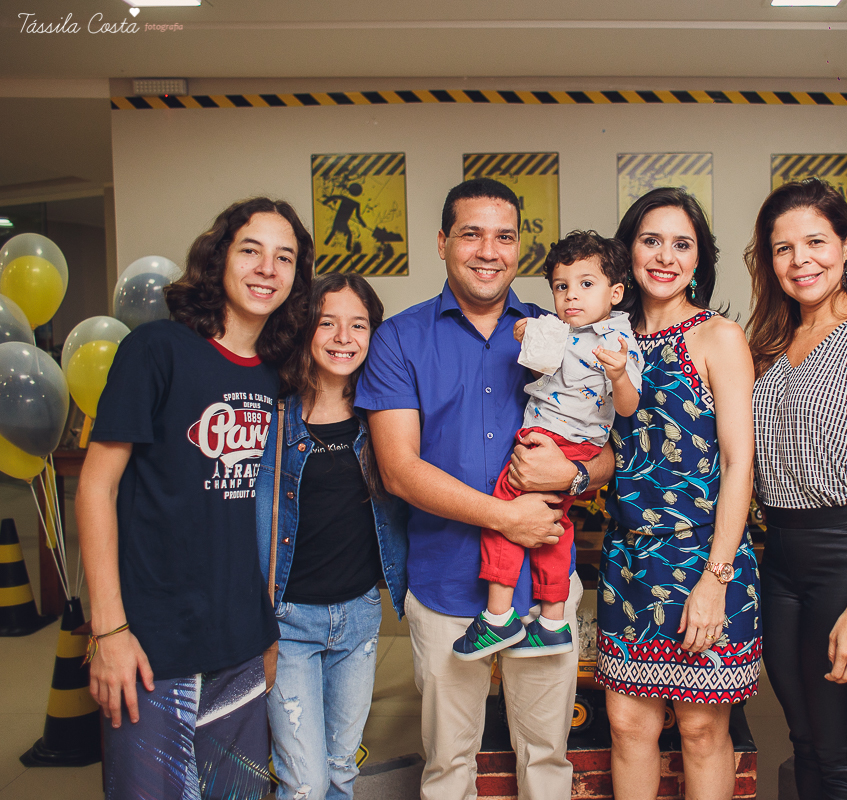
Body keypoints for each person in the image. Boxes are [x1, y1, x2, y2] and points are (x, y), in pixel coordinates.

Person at [355, 178, 614, 800]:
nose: (487, 250)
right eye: (471, 234)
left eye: (503, 236)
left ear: (519, 248)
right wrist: (507, 517)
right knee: (448, 763)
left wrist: (576, 475)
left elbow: (607, 450)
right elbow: (398, 469)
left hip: (543, 587)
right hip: (445, 582)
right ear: (443, 242)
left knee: (548, 758)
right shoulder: (400, 340)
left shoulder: (558, 333)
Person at [76, 197, 313, 799]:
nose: (267, 268)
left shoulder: (274, 374)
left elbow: (261, 516)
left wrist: (266, 633)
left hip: (238, 644)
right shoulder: (156, 350)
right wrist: (107, 632)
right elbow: (95, 488)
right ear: (219, 258)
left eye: (284, 257)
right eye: (251, 250)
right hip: (149, 644)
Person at [745, 178, 847, 799]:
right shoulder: (771, 343)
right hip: (779, 555)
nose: (800, 260)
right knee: (805, 741)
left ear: (846, 246)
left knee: (841, 751)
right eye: (783, 248)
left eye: (815, 241)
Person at [597, 187, 761, 800]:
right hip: (629, 557)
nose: (665, 256)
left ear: (699, 259)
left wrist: (716, 580)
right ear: (628, 253)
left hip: (703, 560)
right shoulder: (611, 339)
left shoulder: (719, 337)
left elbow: (738, 462)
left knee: (698, 728)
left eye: (681, 244)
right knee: (627, 725)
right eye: (650, 240)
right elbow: (618, 447)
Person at [453, 230, 643, 660]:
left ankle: (497, 619)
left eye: (586, 284)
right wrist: (528, 333)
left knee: (506, 512)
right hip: (555, 437)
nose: (571, 296)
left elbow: (628, 407)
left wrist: (617, 375)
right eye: (561, 286)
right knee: (553, 529)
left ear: (615, 292)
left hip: (564, 445)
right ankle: (554, 622)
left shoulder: (616, 341)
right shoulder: (562, 329)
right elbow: (541, 366)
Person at [255, 273, 409, 800]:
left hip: (360, 616)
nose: (344, 336)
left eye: (358, 324)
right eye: (328, 322)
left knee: (342, 770)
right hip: (286, 621)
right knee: (304, 782)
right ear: (305, 328)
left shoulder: (383, 417)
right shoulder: (272, 416)